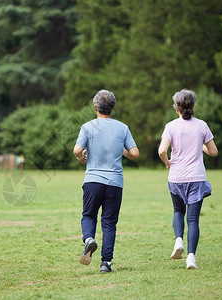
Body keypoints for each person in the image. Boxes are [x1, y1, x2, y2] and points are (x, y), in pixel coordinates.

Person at [73, 89, 139, 273]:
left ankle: (88, 239)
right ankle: (106, 263)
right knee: (109, 223)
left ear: (95, 107)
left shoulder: (88, 127)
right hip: (115, 183)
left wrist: (81, 157)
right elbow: (134, 153)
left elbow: (77, 150)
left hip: (93, 181)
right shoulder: (122, 127)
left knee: (88, 215)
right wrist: (122, 151)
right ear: (112, 108)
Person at [158, 89, 218, 269]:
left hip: (176, 177)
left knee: (178, 211)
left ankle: (178, 241)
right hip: (196, 178)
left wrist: (167, 162)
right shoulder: (202, 125)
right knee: (193, 220)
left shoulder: (171, 126)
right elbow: (213, 152)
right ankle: (191, 257)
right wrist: (200, 147)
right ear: (193, 106)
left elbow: (161, 150)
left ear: (176, 108)